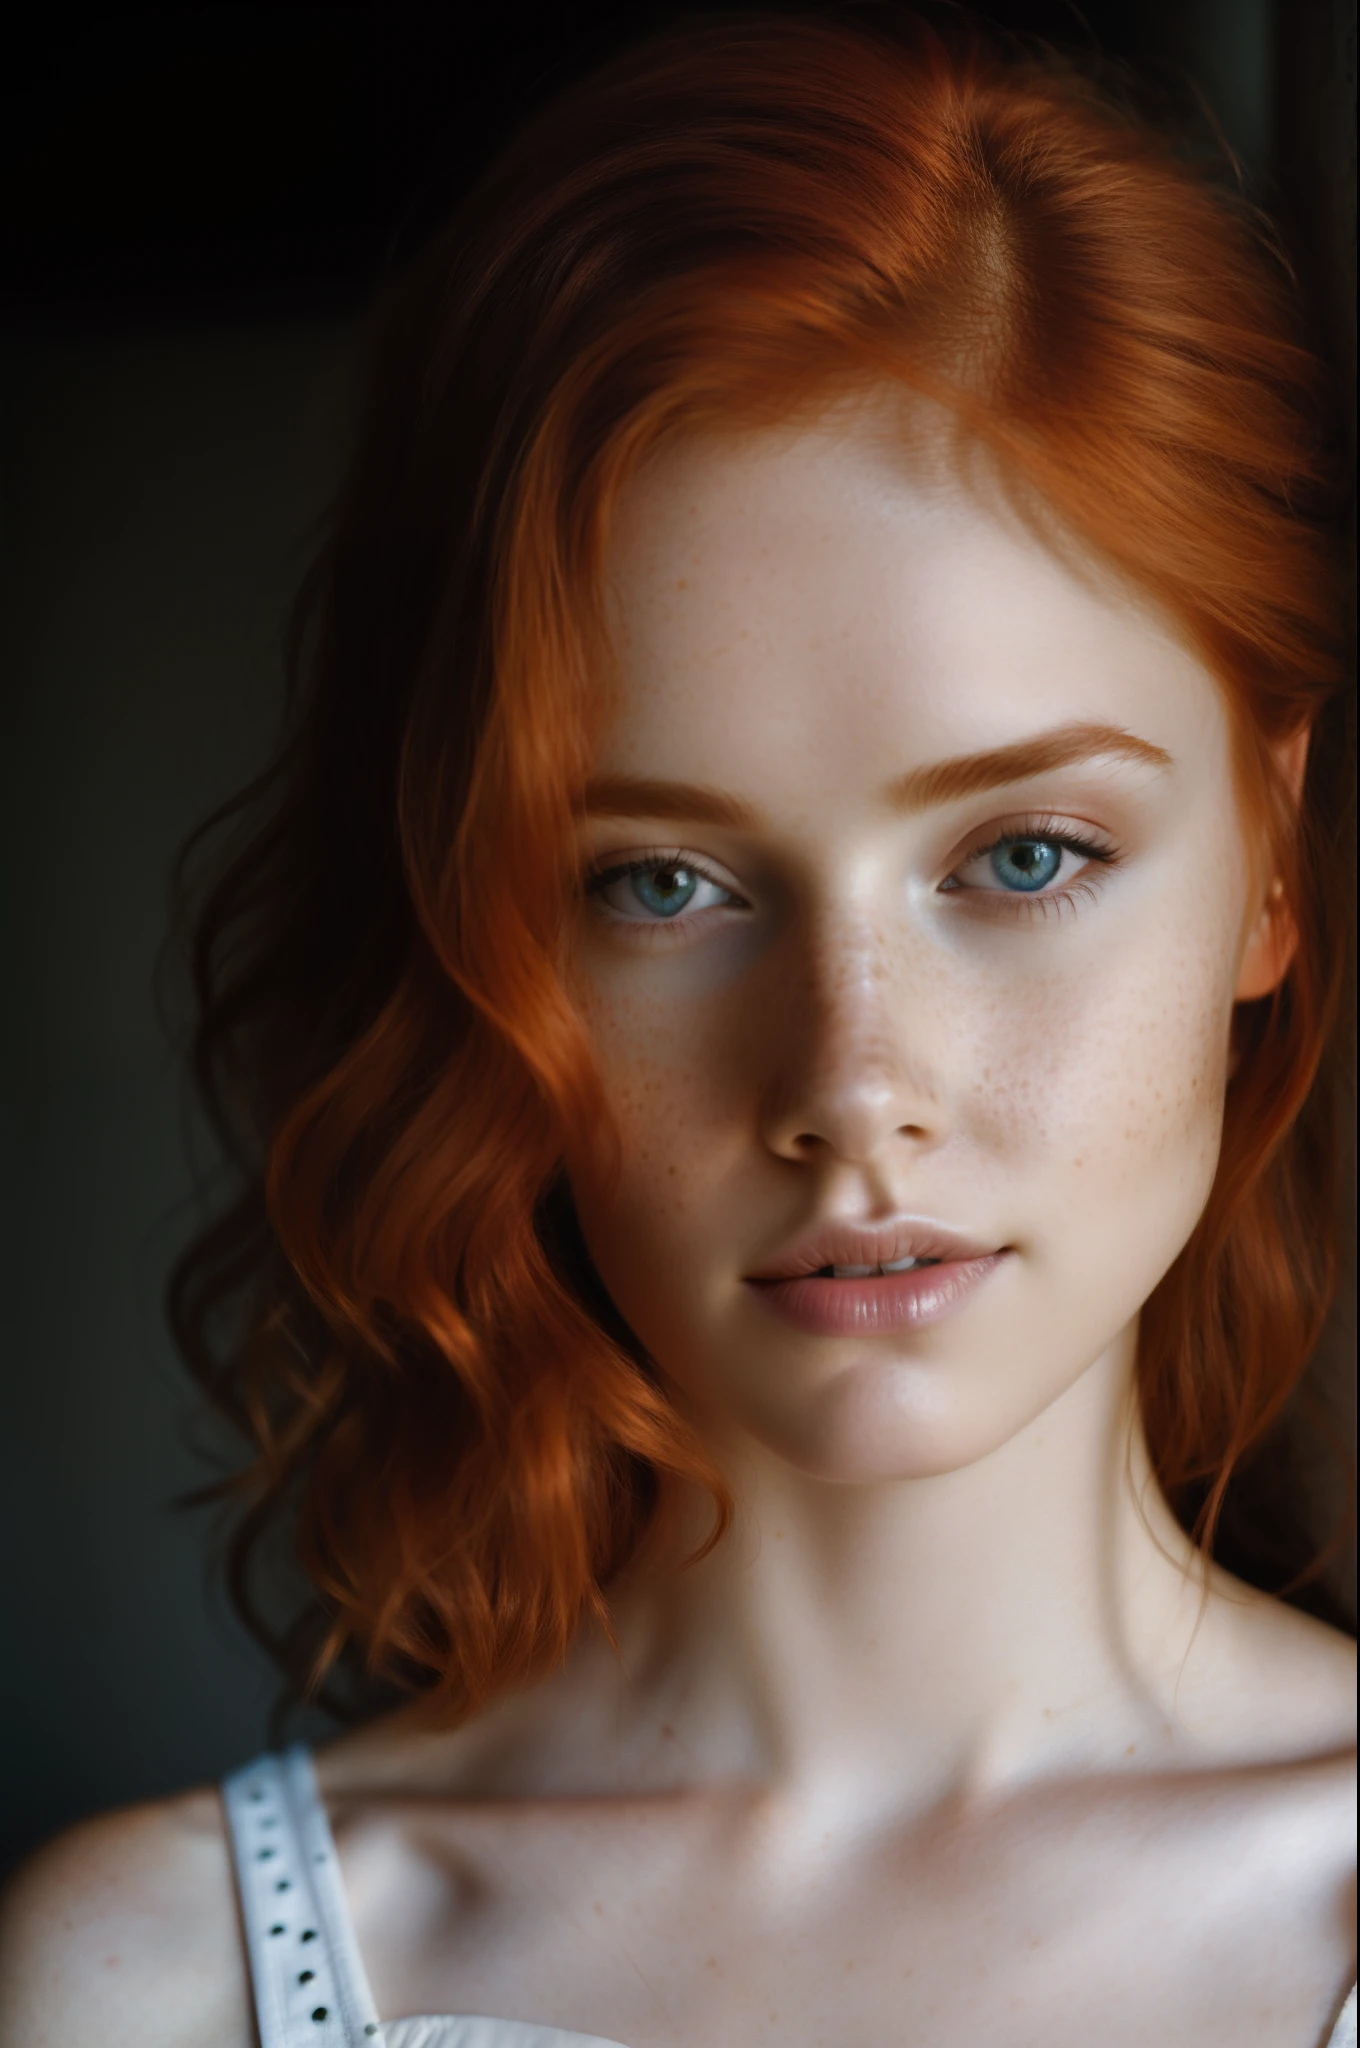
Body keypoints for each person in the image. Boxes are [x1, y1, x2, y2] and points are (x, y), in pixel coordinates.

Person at [0, 11, 1354, 2046]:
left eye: (1020, 858)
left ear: (1265, 855)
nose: (850, 1088)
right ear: (476, 932)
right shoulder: (160, 1981)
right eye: (660, 884)